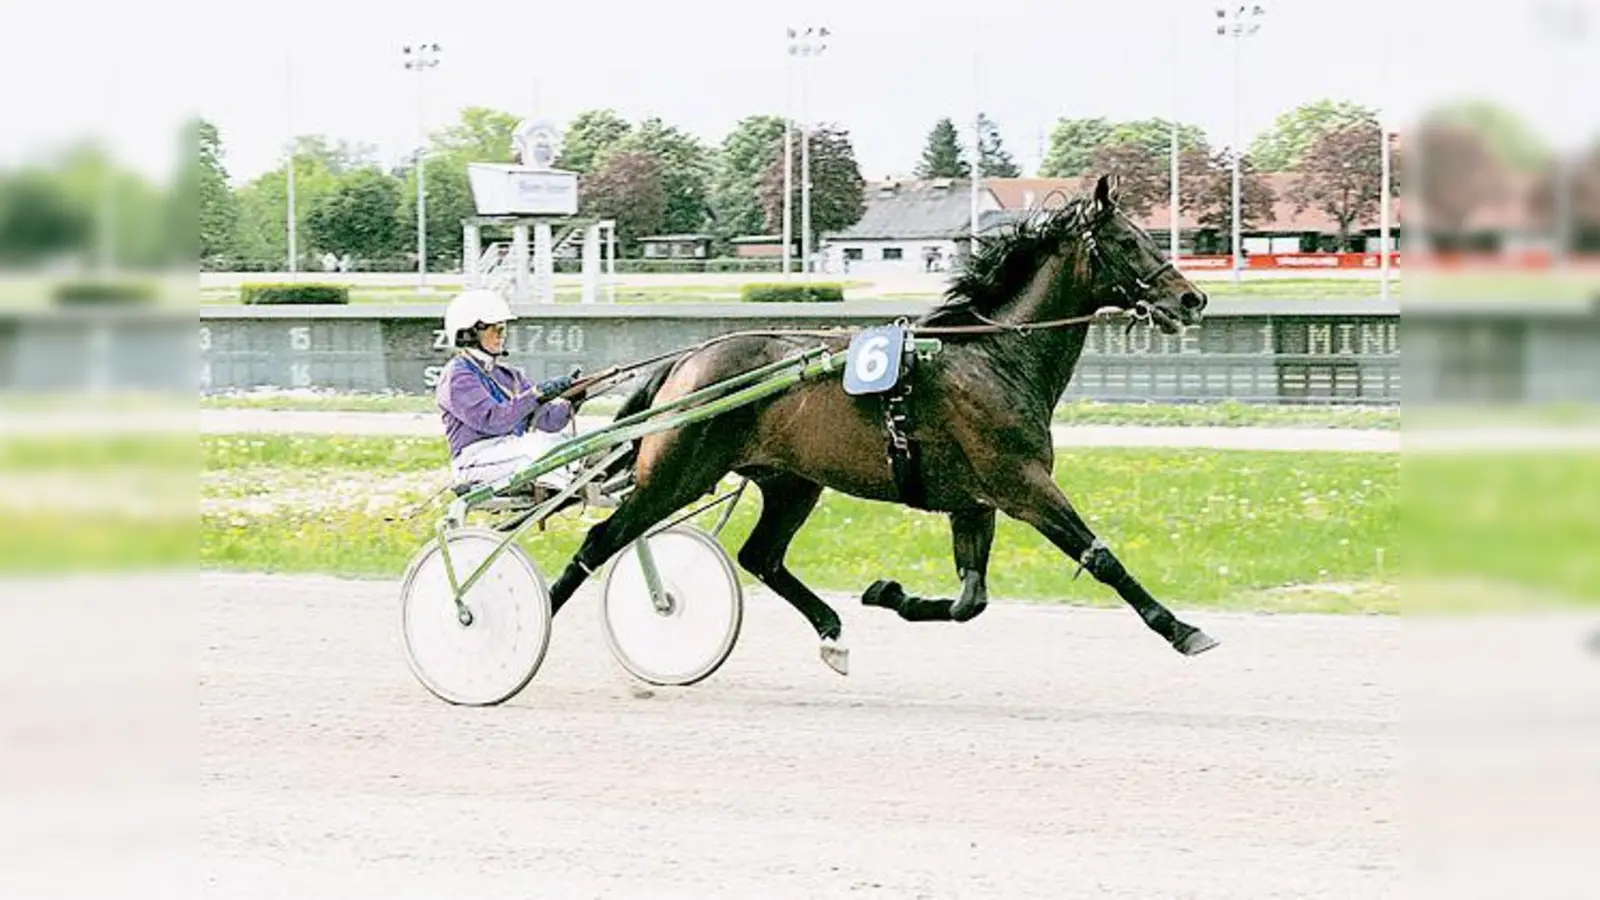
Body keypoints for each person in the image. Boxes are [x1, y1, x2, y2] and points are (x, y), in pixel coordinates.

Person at [436, 289, 583, 492]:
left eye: (503, 329)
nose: (501, 336)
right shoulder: (457, 376)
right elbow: (494, 421)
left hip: (511, 452)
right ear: (469, 333)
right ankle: (560, 484)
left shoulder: (509, 376)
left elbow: (548, 421)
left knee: (567, 442)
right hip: (476, 460)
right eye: (494, 329)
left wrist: (575, 399)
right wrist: (537, 394)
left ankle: (571, 479)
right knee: (534, 449)